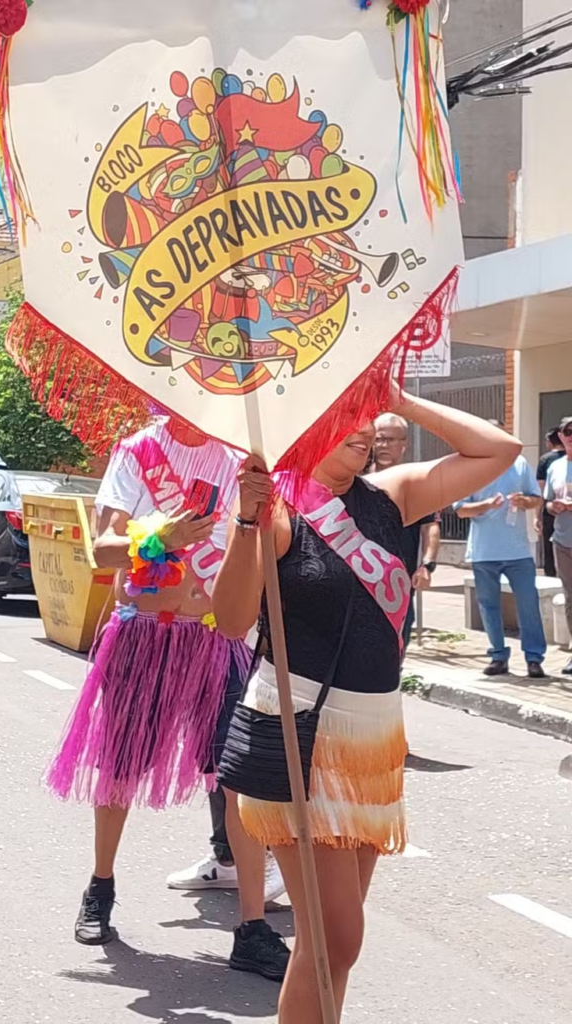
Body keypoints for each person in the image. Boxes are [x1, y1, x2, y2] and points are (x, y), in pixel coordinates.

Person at [212, 389, 520, 1024]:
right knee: (334, 937)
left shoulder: (392, 496)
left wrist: (398, 397)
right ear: (301, 425)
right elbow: (231, 619)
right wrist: (245, 522)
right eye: (341, 416)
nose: (361, 430)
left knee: (335, 950)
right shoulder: (278, 510)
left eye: (364, 416)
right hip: (300, 730)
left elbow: (500, 448)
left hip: (373, 736)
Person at [47, 417, 291, 981]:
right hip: (146, 635)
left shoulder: (241, 453)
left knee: (240, 781)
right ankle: (100, 885)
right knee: (120, 768)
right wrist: (159, 540)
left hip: (217, 636)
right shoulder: (139, 451)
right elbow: (105, 551)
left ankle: (252, 927)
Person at [454, 429, 546, 678]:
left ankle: (534, 659)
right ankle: (498, 656)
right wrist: (486, 505)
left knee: (528, 604)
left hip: (518, 551)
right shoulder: (471, 467)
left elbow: (536, 499)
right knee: (488, 606)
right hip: (484, 551)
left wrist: (525, 502)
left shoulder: (519, 463)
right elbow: (461, 510)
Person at [370, 413, 441, 650]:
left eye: (390, 440)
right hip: (361, 574)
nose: (383, 446)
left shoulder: (416, 482)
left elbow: (430, 526)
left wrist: (427, 565)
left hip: (399, 581)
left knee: (397, 645)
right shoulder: (356, 479)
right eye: (379, 439)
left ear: (404, 444)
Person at [543, 416, 572, 674]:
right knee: (570, 598)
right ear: (561, 436)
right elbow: (548, 503)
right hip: (563, 542)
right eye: (568, 431)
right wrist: (556, 506)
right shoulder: (555, 466)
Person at [536, 427, 565, 577]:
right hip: (558, 510)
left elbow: (540, 490)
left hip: (551, 512)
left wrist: (537, 515)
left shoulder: (546, 460)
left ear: (549, 441)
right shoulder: (559, 462)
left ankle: (552, 577)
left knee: (549, 547)